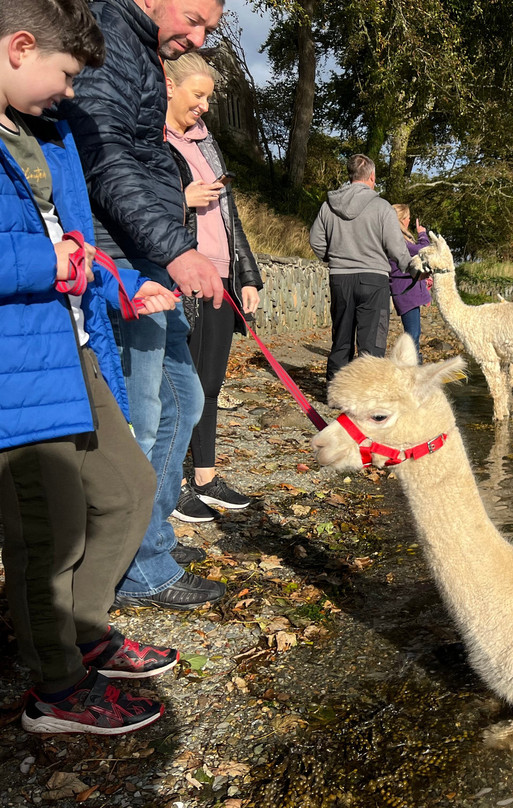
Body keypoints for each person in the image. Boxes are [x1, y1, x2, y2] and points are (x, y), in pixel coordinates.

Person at [0, 0, 183, 734]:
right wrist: (51, 262)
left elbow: (75, 242)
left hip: (71, 346)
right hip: (17, 367)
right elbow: (48, 252)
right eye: (66, 73)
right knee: (50, 530)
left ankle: (83, 628)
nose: (71, 91)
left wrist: (119, 283)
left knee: (129, 489)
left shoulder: (46, 132)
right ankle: (56, 689)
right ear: (19, 46)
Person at [58, 0, 227, 609]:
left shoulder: (142, 48)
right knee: (146, 416)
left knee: (185, 400)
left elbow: (139, 155)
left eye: (209, 27)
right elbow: (104, 158)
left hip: (149, 251)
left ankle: (150, 543)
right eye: (195, 18)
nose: (199, 35)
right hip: (121, 259)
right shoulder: (108, 36)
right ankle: (139, 568)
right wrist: (176, 251)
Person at [162, 52, 262, 522]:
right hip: (185, 275)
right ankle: (175, 484)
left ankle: (205, 476)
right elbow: (135, 203)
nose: (203, 106)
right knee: (184, 387)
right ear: (169, 86)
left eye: (208, 97)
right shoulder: (152, 141)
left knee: (212, 383)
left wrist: (246, 275)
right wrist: (182, 198)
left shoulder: (208, 144)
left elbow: (231, 216)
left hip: (222, 275)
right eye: (197, 95)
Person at [309, 153, 416, 381]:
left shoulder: (329, 206)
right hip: (374, 279)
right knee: (371, 343)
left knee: (341, 338)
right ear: (372, 177)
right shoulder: (382, 208)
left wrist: (334, 258)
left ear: (350, 175)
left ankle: (336, 393)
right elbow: (396, 247)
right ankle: (367, 393)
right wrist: (412, 268)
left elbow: (316, 240)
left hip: (340, 278)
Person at [389, 202, 432, 360]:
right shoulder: (401, 241)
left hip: (408, 291)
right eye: (407, 218)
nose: (409, 221)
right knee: (412, 334)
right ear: (401, 220)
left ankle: (413, 367)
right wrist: (422, 234)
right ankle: (412, 369)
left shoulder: (400, 239)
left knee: (414, 333)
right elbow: (424, 251)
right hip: (406, 292)